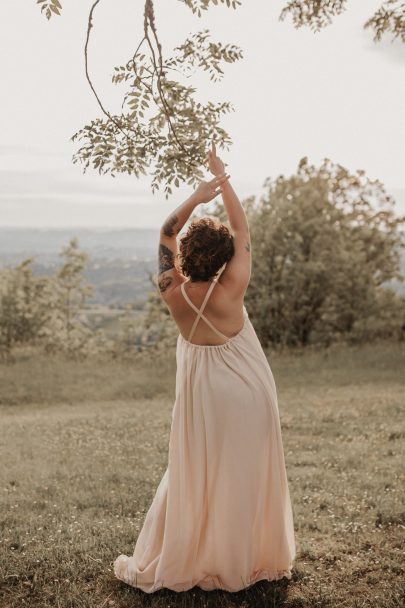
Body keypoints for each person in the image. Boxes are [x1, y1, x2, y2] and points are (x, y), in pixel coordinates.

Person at [113, 142, 296, 593]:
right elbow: (242, 224)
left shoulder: (170, 289)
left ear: (186, 258)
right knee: (242, 474)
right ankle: (244, 558)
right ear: (224, 258)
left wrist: (196, 195)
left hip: (202, 394)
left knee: (197, 473)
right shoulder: (232, 285)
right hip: (248, 390)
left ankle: (200, 553)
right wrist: (223, 180)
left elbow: (164, 232)